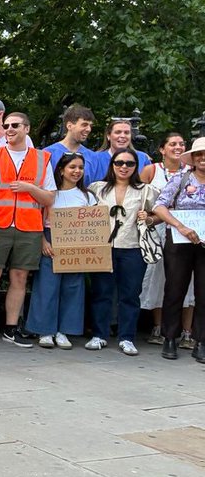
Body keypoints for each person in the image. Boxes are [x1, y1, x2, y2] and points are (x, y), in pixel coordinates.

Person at [0, 112, 56, 346]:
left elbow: (49, 197)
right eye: (7, 125)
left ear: (27, 129)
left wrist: (29, 187)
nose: (10, 129)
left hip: (29, 227)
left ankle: (11, 327)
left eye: (15, 125)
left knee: (19, 277)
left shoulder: (42, 158)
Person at [24, 153, 96, 349]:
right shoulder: (49, 194)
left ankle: (64, 331)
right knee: (47, 286)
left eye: (80, 167)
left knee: (73, 288)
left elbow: (94, 225)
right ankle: (45, 331)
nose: (77, 171)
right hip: (50, 239)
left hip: (77, 244)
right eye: (72, 167)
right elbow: (37, 217)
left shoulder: (87, 196)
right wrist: (43, 242)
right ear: (61, 170)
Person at [85, 149, 150, 355]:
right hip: (104, 247)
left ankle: (127, 337)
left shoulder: (145, 190)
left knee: (130, 294)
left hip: (132, 247)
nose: (124, 167)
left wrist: (148, 218)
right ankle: (99, 334)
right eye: (119, 162)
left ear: (135, 167)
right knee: (101, 292)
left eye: (129, 164)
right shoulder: (97, 188)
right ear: (112, 164)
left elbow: (158, 214)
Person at [152, 137, 205, 362]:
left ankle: (200, 340)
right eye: (199, 155)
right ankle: (170, 337)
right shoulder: (181, 179)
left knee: (204, 292)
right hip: (179, 240)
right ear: (192, 158)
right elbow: (159, 206)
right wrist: (179, 226)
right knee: (175, 289)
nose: (203, 159)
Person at [139, 132, 191, 346]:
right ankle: (158, 326)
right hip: (157, 233)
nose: (177, 147)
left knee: (189, 282)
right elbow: (139, 197)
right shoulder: (151, 171)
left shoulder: (192, 172)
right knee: (158, 278)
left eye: (181, 144)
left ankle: (187, 331)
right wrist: (147, 217)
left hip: (186, 232)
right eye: (172, 144)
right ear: (162, 149)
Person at [87, 118, 152, 183]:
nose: (123, 136)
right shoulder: (94, 159)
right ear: (108, 136)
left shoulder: (142, 158)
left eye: (126, 133)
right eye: (118, 132)